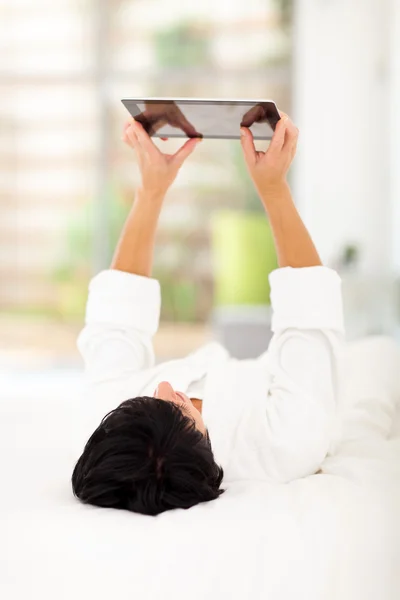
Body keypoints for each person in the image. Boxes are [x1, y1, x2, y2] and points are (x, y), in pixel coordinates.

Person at [72, 113, 346, 516]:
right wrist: (273, 189)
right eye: (176, 406)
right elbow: (309, 310)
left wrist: (151, 190)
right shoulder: (286, 441)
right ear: (203, 446)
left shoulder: (110, 424)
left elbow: (119, 312)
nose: (164, 385)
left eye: (149, 399)